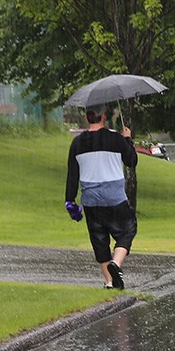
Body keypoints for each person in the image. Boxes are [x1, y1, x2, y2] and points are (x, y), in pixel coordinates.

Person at [64, 107, 138, 290]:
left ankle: (109, 282)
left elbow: (72, 175)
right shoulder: (116, 139)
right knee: (127, 231)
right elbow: (131, 161)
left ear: (88, 117)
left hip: (91, 200)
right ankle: (116, 264)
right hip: (114, 198)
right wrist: (127, 138)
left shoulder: (77, 143)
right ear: (104, 116)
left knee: (99, 239)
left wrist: (70, 200)